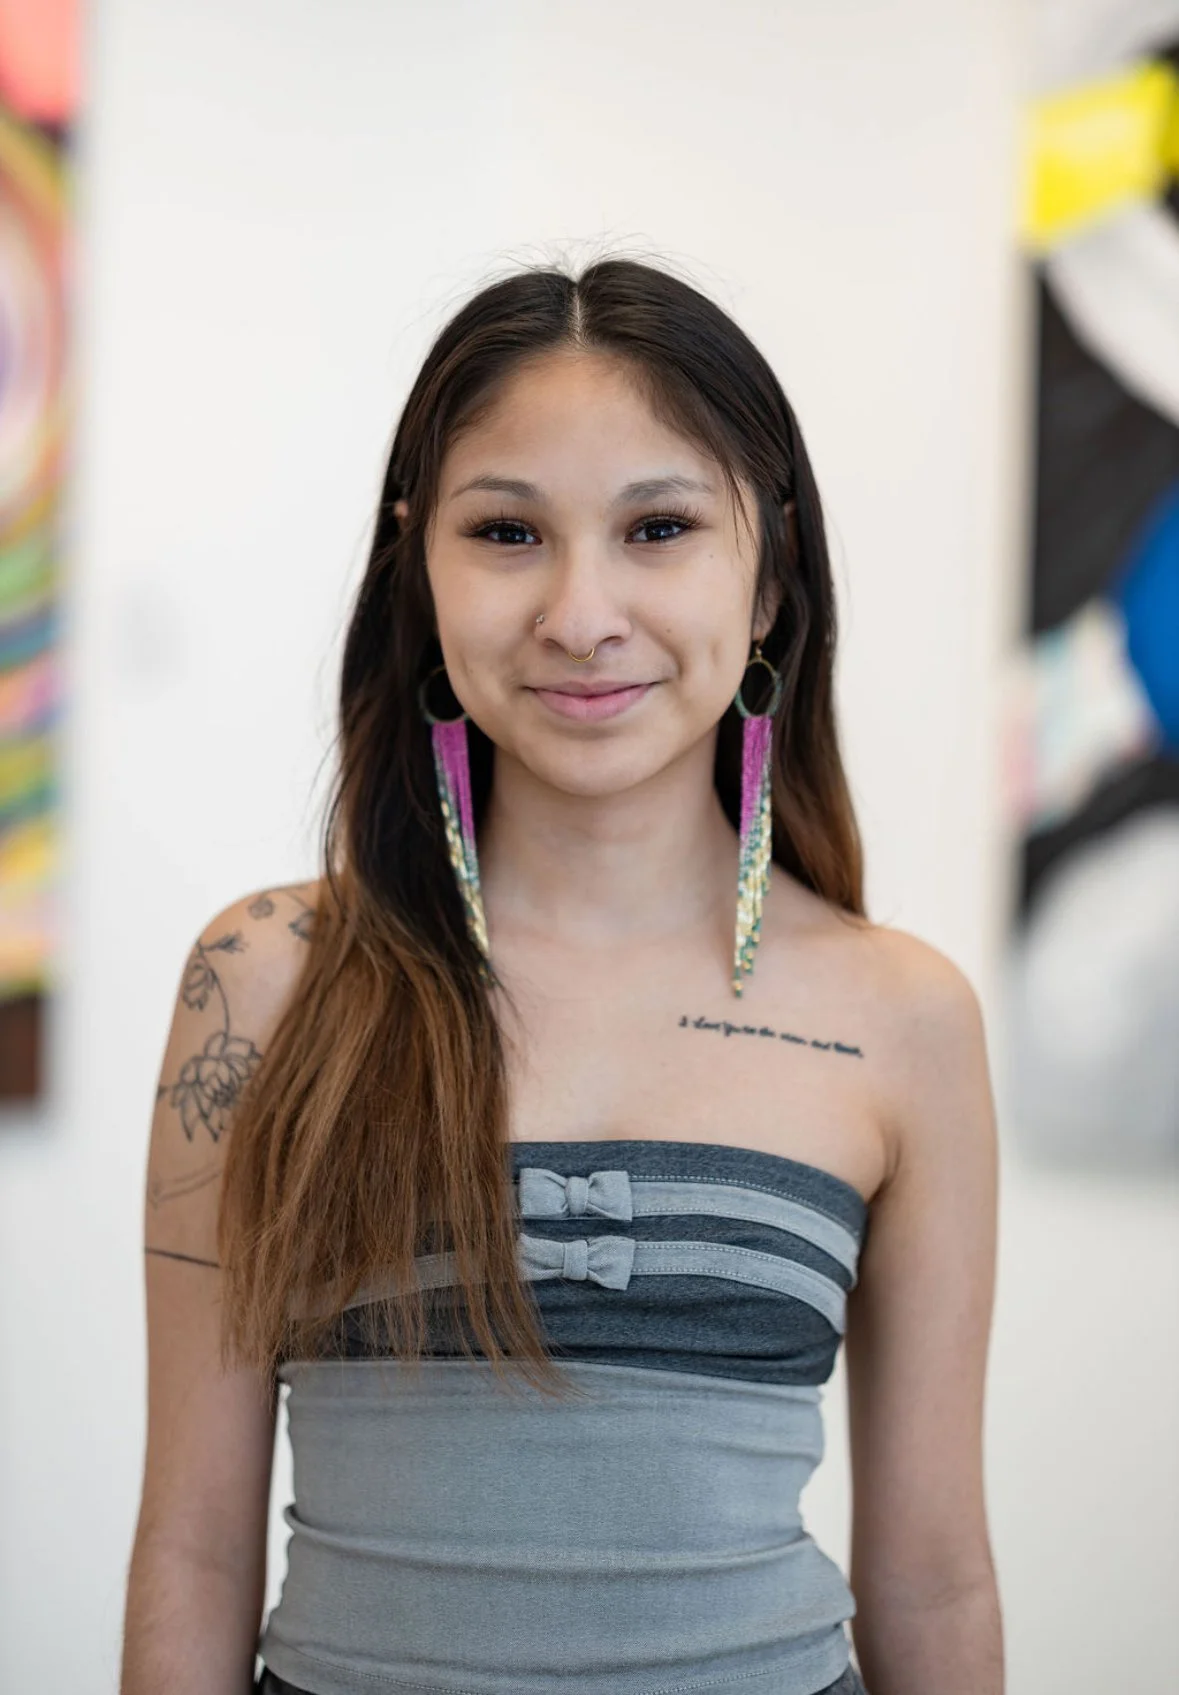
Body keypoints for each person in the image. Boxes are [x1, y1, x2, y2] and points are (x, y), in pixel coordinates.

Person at [120, 256, 1004, 1695]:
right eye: (507, 532)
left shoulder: (899, 1020)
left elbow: (932, 1573)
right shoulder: (267, 980)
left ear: (770, 574)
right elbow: (194, 1552)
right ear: (419, 564)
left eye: (657, 526)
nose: (583, 612)